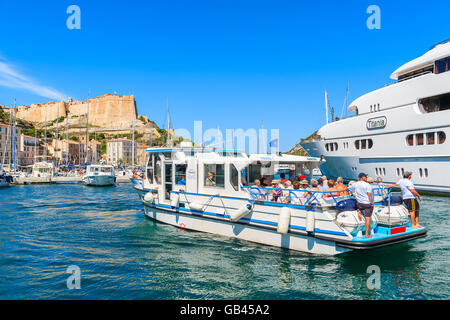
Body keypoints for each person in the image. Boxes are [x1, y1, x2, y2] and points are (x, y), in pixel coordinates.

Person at [348, 173, 374, 238]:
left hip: (359, 204)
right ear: (362, 177)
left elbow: (348, 188)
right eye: (365, 177)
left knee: (361, 207)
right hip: (367, 204)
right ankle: (367, 234)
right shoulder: (367, 185)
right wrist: (371, 203)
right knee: (368, 218)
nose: (366, 178)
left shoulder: (355, 184)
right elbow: (369, 194)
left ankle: (359, 211)